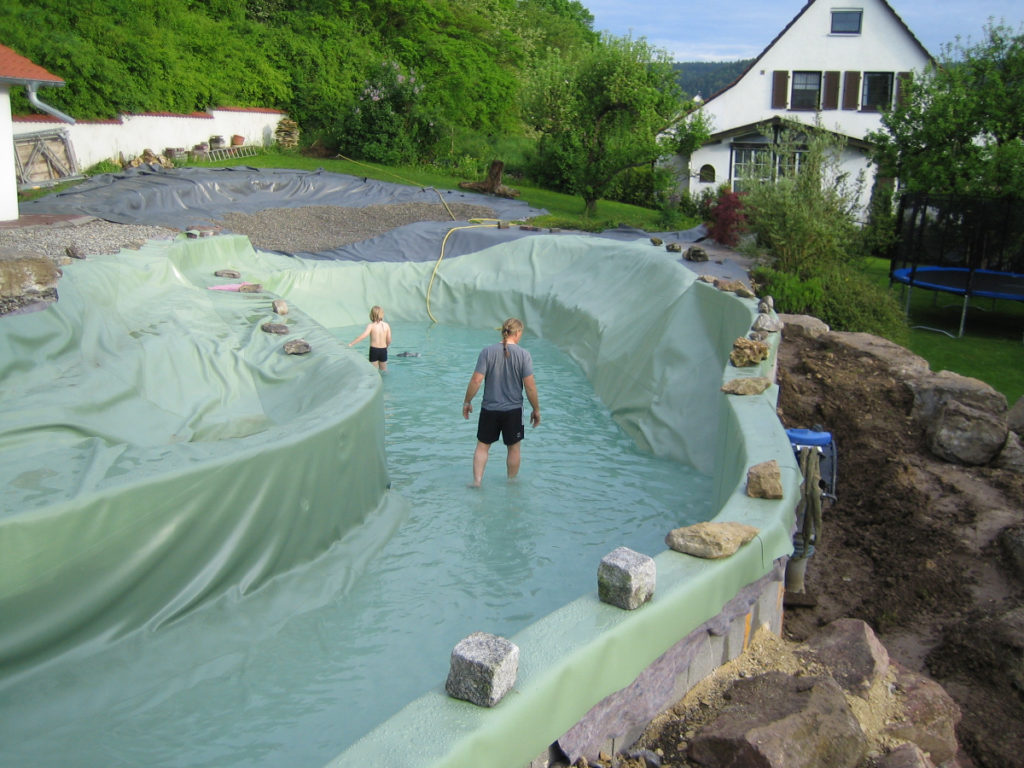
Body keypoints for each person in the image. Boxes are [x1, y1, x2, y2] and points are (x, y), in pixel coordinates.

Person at [462, 317, 540, 487]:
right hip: (513, 410)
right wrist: (536, 409)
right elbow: (530, 387)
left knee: (483, 446)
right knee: (513, 448)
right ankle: (511, 483)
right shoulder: (524, 355)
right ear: (518, 333)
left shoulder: (487, 352)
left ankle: (477, 482)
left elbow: (476, 380)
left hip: (490, 408)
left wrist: (467, 401)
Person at [348, 305, 392, 371]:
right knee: (384, 370)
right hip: (383, 350)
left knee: (373, 371)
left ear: (372, 315)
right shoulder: (386, 325)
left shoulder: (371, 326)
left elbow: (363, 335)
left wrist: (351, 344)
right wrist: (386, 347)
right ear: (382, 314)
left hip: (374, 350)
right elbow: (389, 340)